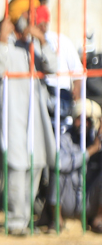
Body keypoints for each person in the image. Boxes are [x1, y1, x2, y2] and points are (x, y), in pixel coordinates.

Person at [0, 0, 58, 235]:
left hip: (35, 115)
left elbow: (53, 66)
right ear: (17, 15)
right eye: (28, 13)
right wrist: (2, 38)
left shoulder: (34, 43)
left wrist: (41, 39)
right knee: (16, 167)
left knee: (36, 164)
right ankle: (15, 222)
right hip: (12, 113)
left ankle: (25, 220)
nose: (32, 18)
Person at [52, 98, 102, 232]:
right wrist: (90, 151)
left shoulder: (97, 139)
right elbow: (60, 164)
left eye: (88, 120)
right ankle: (57, 220)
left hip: (89, 201)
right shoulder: (65, 138)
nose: (83, 124)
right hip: (69, 199)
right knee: (57, 173)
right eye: (80, 119)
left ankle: (98, 219)